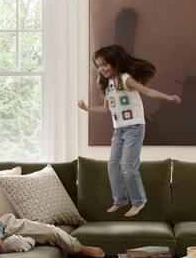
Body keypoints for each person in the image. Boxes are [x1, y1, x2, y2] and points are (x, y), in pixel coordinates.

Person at [77, 44, 181, 217]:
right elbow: (106, 109)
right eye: (99, 66)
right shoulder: (108, 85)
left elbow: (147, 91)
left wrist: (168, 97)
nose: (102, 69)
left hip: (134, 128)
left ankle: (139, 201)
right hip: (118, 130)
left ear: (115, 62)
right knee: (112, 165)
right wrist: (87, 108)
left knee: (127, 165)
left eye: (105, 64)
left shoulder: (125, 79)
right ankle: (120, 200)